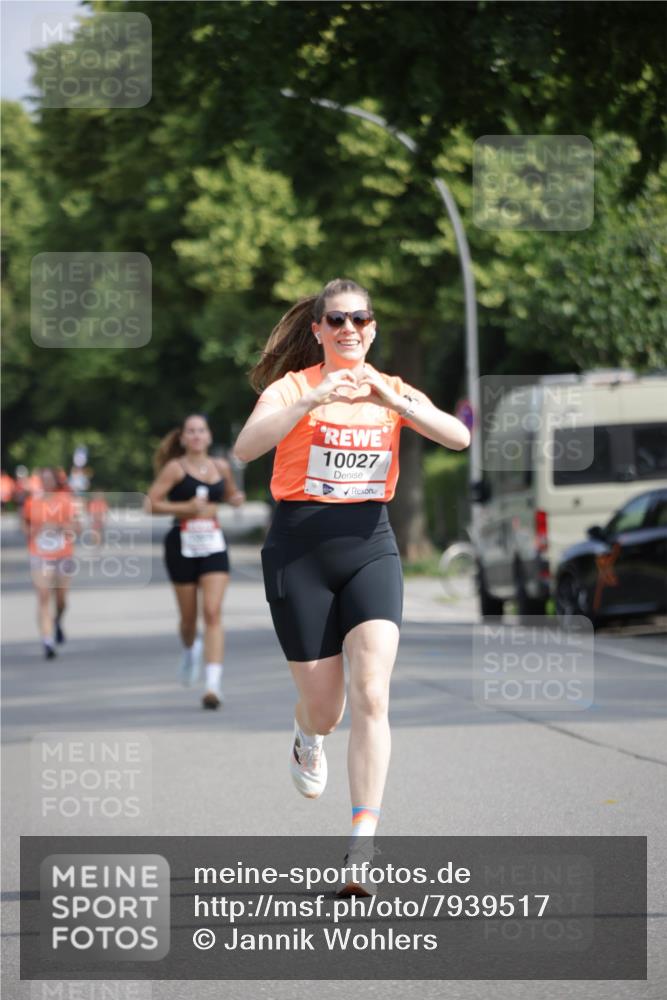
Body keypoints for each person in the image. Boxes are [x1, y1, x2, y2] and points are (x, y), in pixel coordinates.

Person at [233, 278, 470, 896]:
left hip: (371, 544)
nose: (348, 329)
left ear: (372, 327)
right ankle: (307, 734)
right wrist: (307, 405)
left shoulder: (389, 389)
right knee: (328, 709)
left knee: (372, 693)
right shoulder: (294, 387)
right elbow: (246, 448)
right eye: (335, 319)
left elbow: (459, 436)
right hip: (300, 548)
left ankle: (361, 844)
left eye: (359, 319)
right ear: (317, 330)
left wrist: (397, 405)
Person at [146, 415, 245, 708]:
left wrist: (236, 498)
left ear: (209, 436)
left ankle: (213, 685)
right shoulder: (175, 468)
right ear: (182, 438)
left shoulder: (221, 467)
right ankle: (191, 649)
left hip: (213, 542)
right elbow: (150, 503)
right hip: (181, 543)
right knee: (189, 620)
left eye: (201, 430)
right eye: (191, 431)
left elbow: (229, 494)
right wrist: (185, 507)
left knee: (212, 612)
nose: (197, 435)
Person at [22, 468, 80, 658]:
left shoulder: (66, 501)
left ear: (56, 482)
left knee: (61, 599)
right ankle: (47, 641)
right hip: (39, 553)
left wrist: (60, 526)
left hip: (63, 553)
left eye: (49, 479)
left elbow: (77, 528)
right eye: (43, 479)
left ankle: (57, 621)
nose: (46, 482)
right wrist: (34, 530)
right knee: (44, 596)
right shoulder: (32, 502)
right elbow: (25, 525)